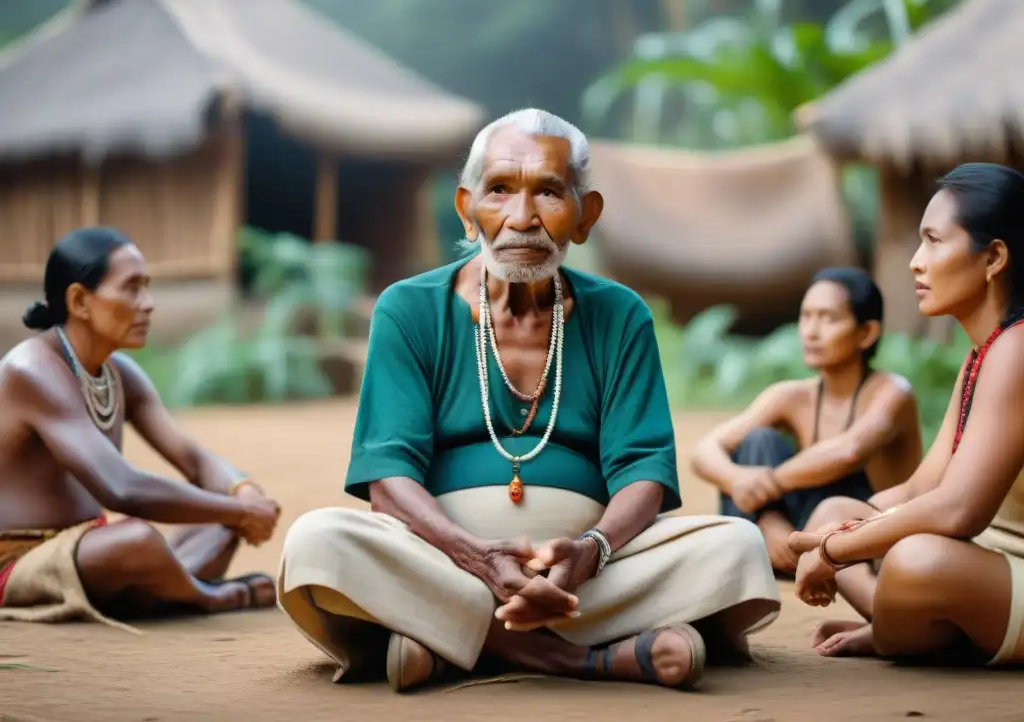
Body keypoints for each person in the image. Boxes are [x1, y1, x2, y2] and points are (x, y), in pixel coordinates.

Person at [277, 108, 780, 693]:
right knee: (318, 543)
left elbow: (644, 470)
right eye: (499, 191)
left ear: (584, 215)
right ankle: (580, 658)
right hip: (444, 559)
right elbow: (388, 477)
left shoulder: (620, 315)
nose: (521, 219)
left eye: (548, 192)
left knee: (737, 547)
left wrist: (591, 549)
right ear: (467, 211)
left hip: (588, 573)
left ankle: (447, 639)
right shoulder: (408, 309)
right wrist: (475, 557)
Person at [788, 163, 1024, 667]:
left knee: (915, 561)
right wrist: (842, 530)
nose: (916, 262)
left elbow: (960, 511)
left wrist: (833, 551)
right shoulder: (984, 353)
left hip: (1002, 564)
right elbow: (922, 490)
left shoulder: (1019, 350)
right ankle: (905, 621)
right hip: (990, 558)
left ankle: (894, 627)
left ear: (994, 257)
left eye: (934, 241)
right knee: (836, 510)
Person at [0, 227, 281, 629]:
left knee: (218, 517)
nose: (147, 304)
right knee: (137, 542)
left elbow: (193, 458)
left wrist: (241, 491)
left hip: (90, 550)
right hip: (18, 562)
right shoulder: (32, 370)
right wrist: (240, 511)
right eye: (131, 289)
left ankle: (162, 590)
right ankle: (205, 596)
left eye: (146, 288)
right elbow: (121, 488)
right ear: (79, 300)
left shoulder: (120, 374)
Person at [691, 268, 922, 575]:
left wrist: (768, 484)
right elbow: (705, 450)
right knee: (758, 440)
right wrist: (745, 488)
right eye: (806, 316)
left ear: (867, 333)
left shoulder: (892, 393)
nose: (811, 331)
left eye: (828, 318)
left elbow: (849, 452)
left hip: (862, 542)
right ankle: (762, 554)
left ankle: (771, 553)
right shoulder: (791, 395)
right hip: (795, 534)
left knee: (768, 462)